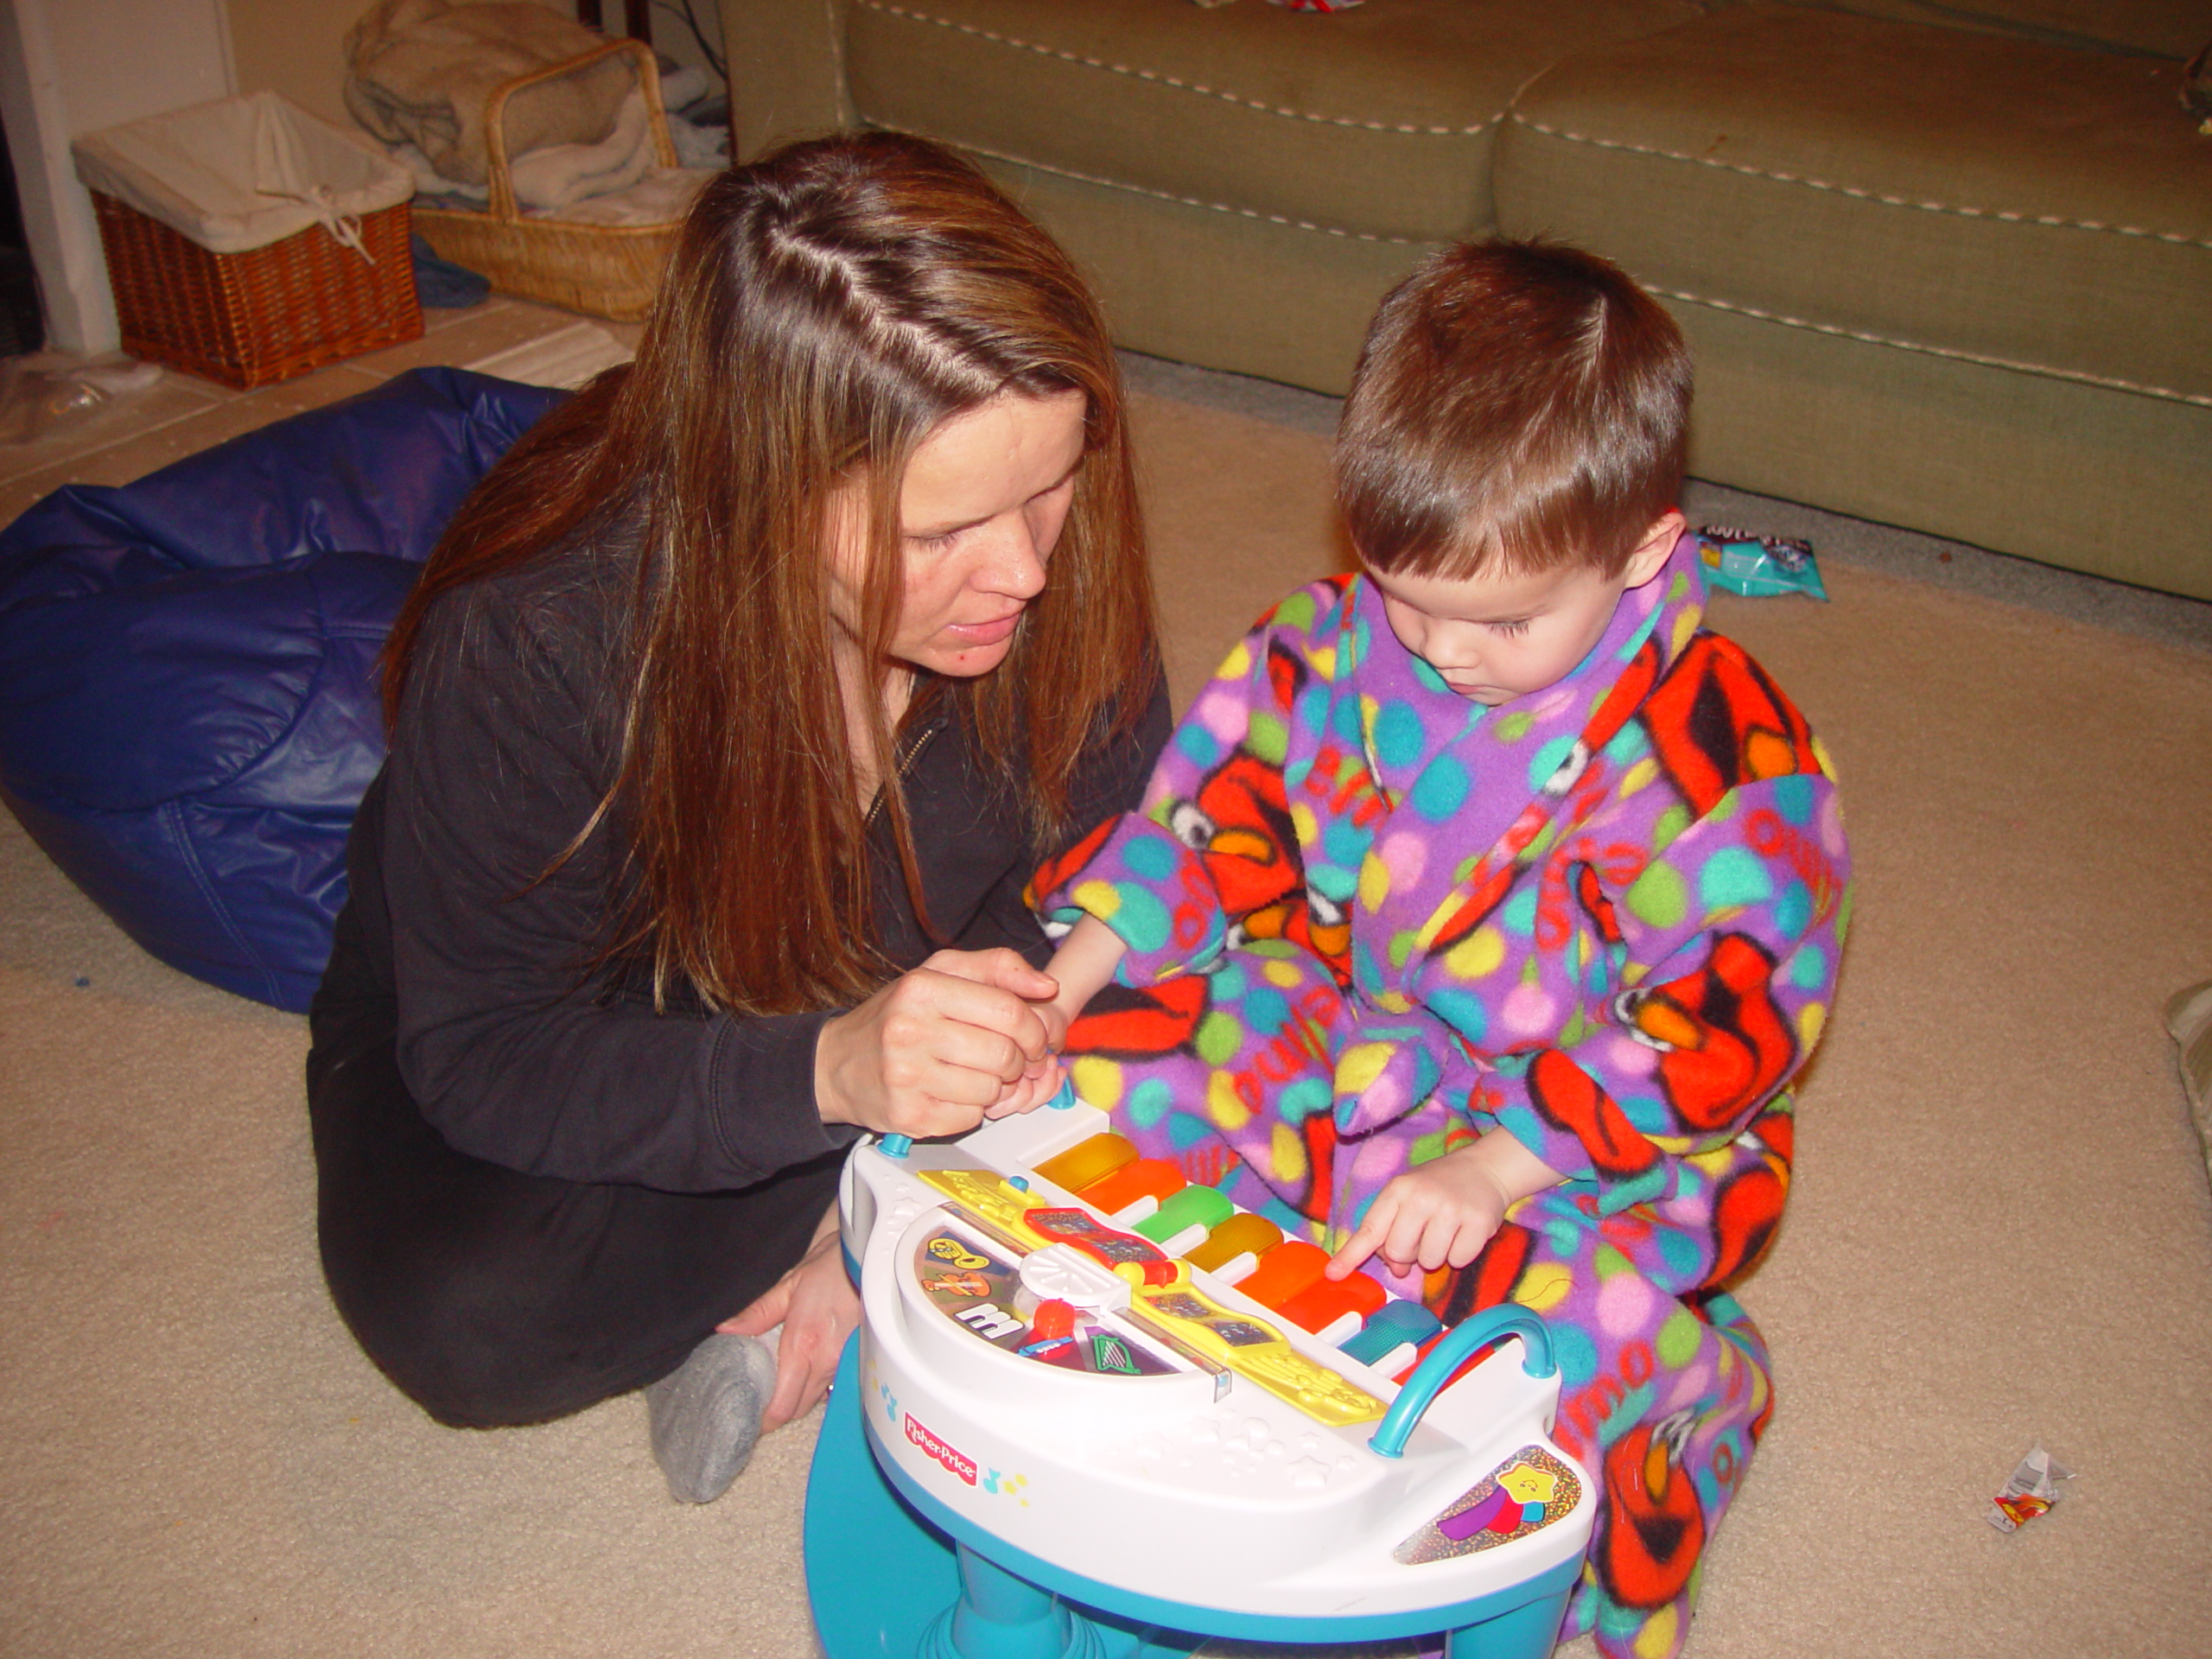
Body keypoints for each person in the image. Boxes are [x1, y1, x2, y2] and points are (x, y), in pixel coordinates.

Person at [305, 131, 1167, 1504]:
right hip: (584, 991)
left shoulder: (1042, 561)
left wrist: (914, 1133)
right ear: (762, 501)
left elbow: (1108, 856)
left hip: (873, 970)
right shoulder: (538, 646)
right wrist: (833, 1083)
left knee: (1230, 1022)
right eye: (941, 533)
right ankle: (876, 1204)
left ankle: (862, 1224)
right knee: (469, 1315)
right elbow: (488, 1054)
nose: (1025, 568)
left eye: (1050, 483)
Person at [1025, 241, 1849, 1659]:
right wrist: (1065, 987)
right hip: (1368, 1032)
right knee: (1101, 1091)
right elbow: (1210, 819)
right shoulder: (1329, 647)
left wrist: (1494, 1167)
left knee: (1540, 1371)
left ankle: (1698, 1396)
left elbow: (1717, 1033)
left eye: (1506, 621)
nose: (1444, 652)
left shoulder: (1731, 775)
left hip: (1594, 1137)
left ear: (1647, 548)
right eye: (1406, 597)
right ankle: (1231, 1359)